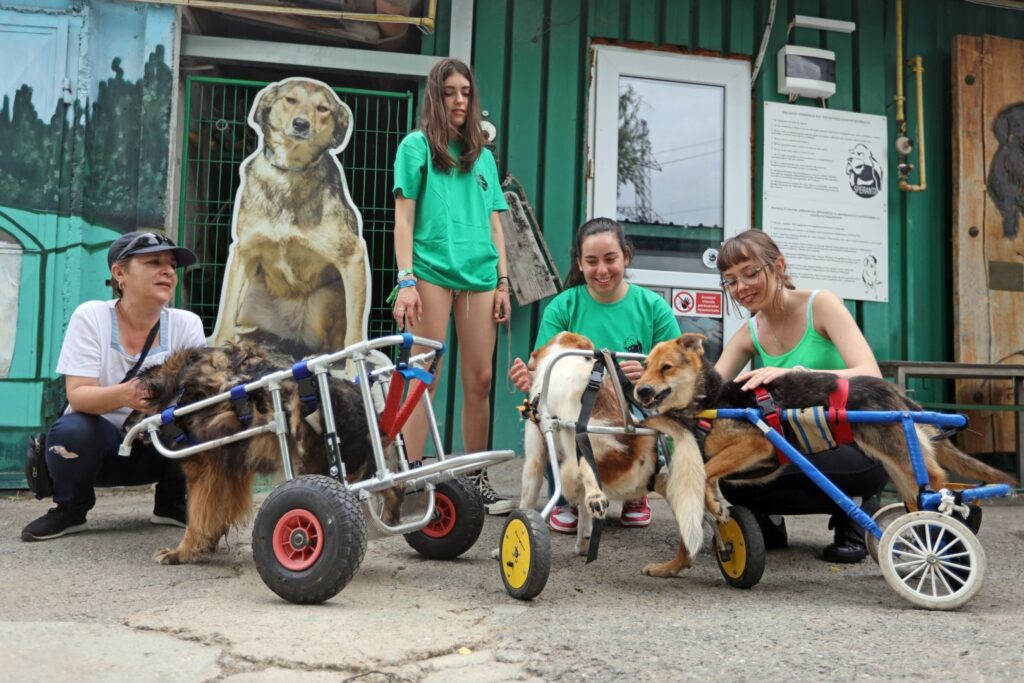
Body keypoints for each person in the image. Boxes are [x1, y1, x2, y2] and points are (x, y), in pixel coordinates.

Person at [714, 229, 889, 563]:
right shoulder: (751, 330)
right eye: (731, 281)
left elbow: (871, 374)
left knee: (774, 467)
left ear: (778, 266)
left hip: (859, 442)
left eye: (750, 273)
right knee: (734, 480)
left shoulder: (820, 305)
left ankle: (856, 510)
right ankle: (770, 520)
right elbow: (711, 388)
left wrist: (796, 376)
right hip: (805, 442)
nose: (741, 288)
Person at [21, 231, 207, 542]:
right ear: (119, 274)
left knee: (203, 420)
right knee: (72, 431)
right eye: (154, 262)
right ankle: (71, 510)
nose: (168, 271)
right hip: (99, 450)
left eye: (172, 265)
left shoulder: (186, 324)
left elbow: (200, 395)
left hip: (159, 448)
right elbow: (78, 395)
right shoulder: (92, 317)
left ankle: (171, 503)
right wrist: (128, 395)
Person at [390, 58, 513, 514]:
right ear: (435, 97)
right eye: (450, 92)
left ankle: (474, 479)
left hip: (480, 278)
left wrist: (503, 281)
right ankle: (409, 479)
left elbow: (496, 224)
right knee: (425, 376)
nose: (459, 100)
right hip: (431, 273)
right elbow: (403, 218)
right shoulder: (415, 147)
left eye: (465, 91)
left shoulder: (483, 157)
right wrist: (406, 281)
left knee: (479, 379)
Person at [510, 217, 679, 533]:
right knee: (541, 425)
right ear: (579, 263)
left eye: (610, 259)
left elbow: (679, 374)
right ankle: (568, 497)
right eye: (591, 261)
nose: (602, 270)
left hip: (631, 407)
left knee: (648, 423)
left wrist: (646, 376)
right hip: (578, 407)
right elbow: (540, 369)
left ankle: (635, 492)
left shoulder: (654, 307)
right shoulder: (564, 306)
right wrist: (528, 377)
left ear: (626, 256)